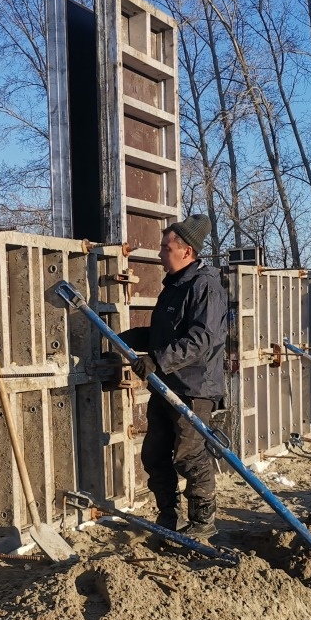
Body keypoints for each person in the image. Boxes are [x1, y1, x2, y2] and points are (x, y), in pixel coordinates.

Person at [120, 214, 228, 538]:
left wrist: (157, 359)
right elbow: (162, 332)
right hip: (166, 385)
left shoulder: (205, 286)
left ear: (187, 251)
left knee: (189, 455)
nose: (159, 254)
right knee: (154, 454)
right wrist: (127, 338)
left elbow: (203, 338)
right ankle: (168, 514)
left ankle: (202, 523)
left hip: (193, 388)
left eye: (165, 248)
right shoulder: (174, 287)